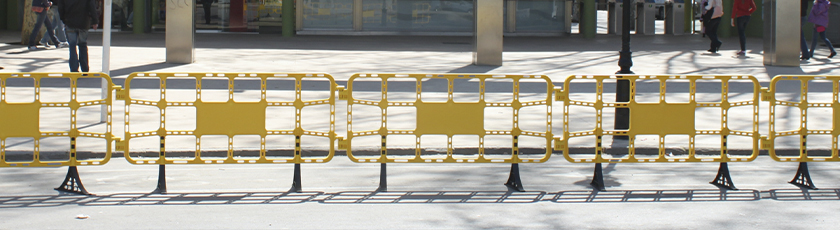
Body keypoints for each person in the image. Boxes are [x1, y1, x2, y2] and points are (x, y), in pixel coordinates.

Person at [55, 0, 99, 72]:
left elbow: (60, 7)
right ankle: (85, 68)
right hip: (83, 22)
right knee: (82, 45)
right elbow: (92, 6)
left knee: (72, 46)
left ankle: (74, 69)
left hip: (70, 21)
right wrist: (95, 21)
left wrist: (63, 19)